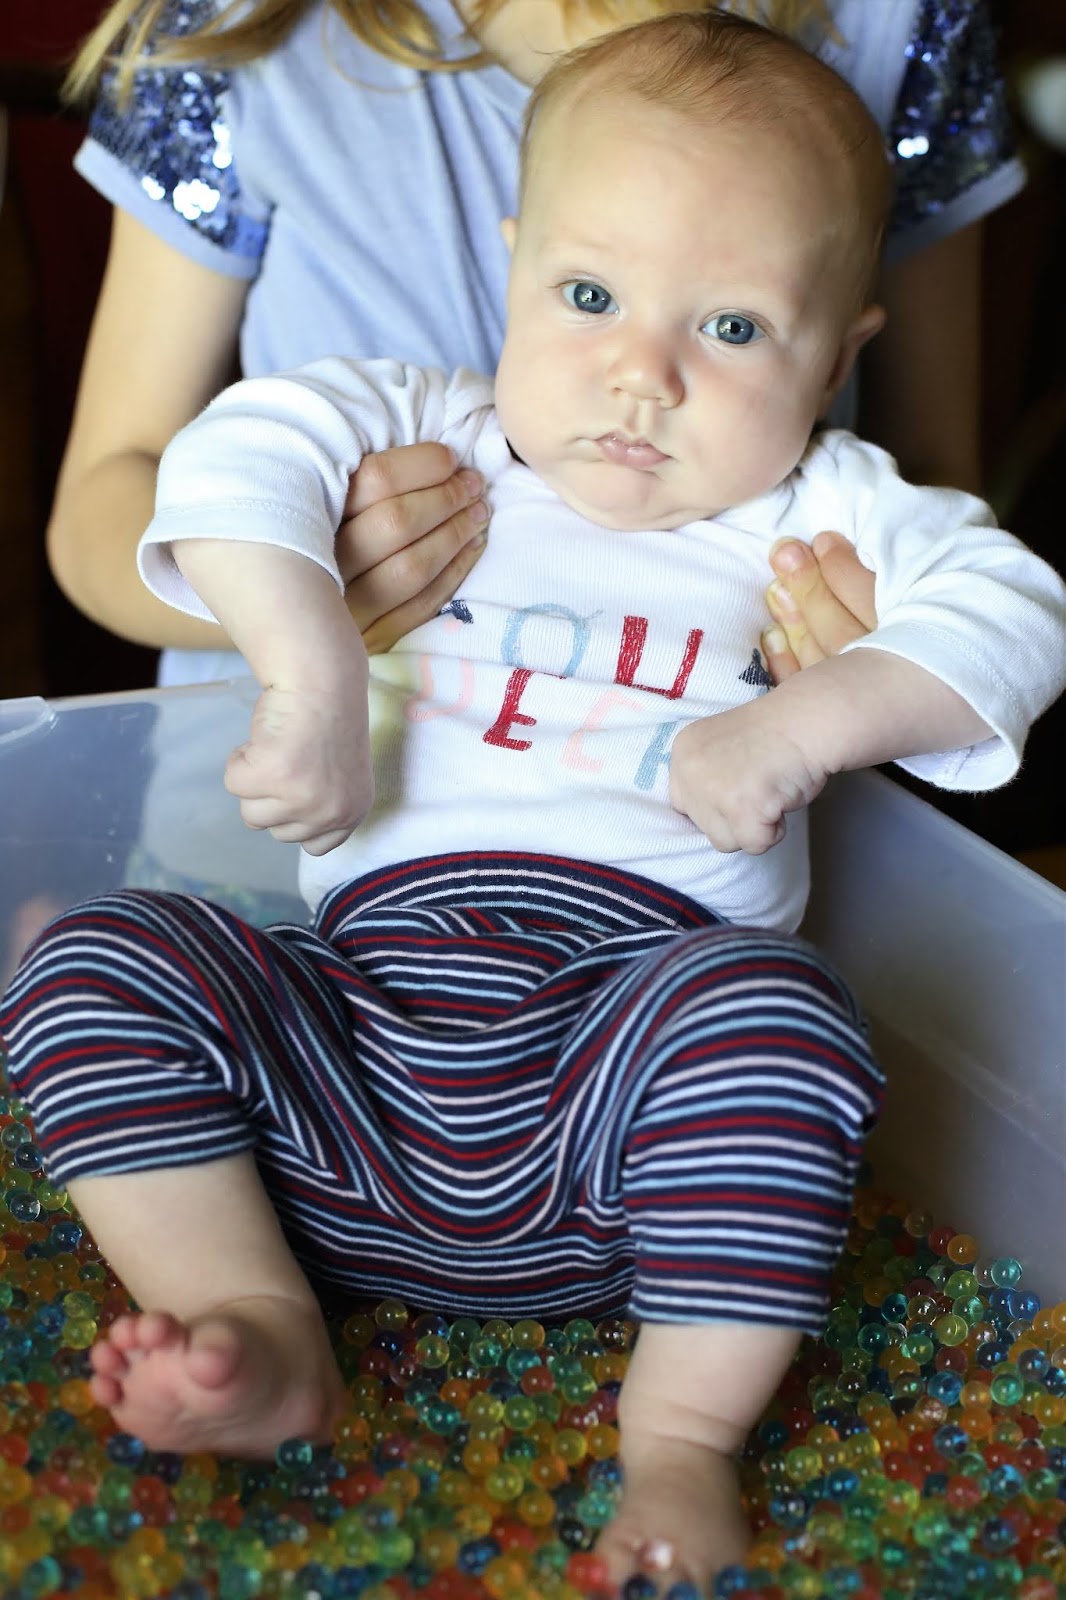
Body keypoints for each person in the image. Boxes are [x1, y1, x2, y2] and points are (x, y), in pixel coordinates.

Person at [4, 14, 1063, 1591]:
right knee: (96, 960)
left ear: (839, 351)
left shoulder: (825, 503)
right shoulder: (429, 429)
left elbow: (1010, 610)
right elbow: (226, 460)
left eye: (728, 328)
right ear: (511, 269)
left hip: (623, 1103)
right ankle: (262, 1321)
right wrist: (304, 670)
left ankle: (678, 1442)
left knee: (778, 1022)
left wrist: (801, 727)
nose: (639, 373)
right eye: (584, 298)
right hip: (350, 1060)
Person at [47, 0, 1022, 689]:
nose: (643, 376)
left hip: (698, 854)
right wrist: (299, 602)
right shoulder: (247, 29)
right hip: (258, 813)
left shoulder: (901, 23)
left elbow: (939, 474)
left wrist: (870, 625)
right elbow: (101, 504)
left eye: (729, 326)